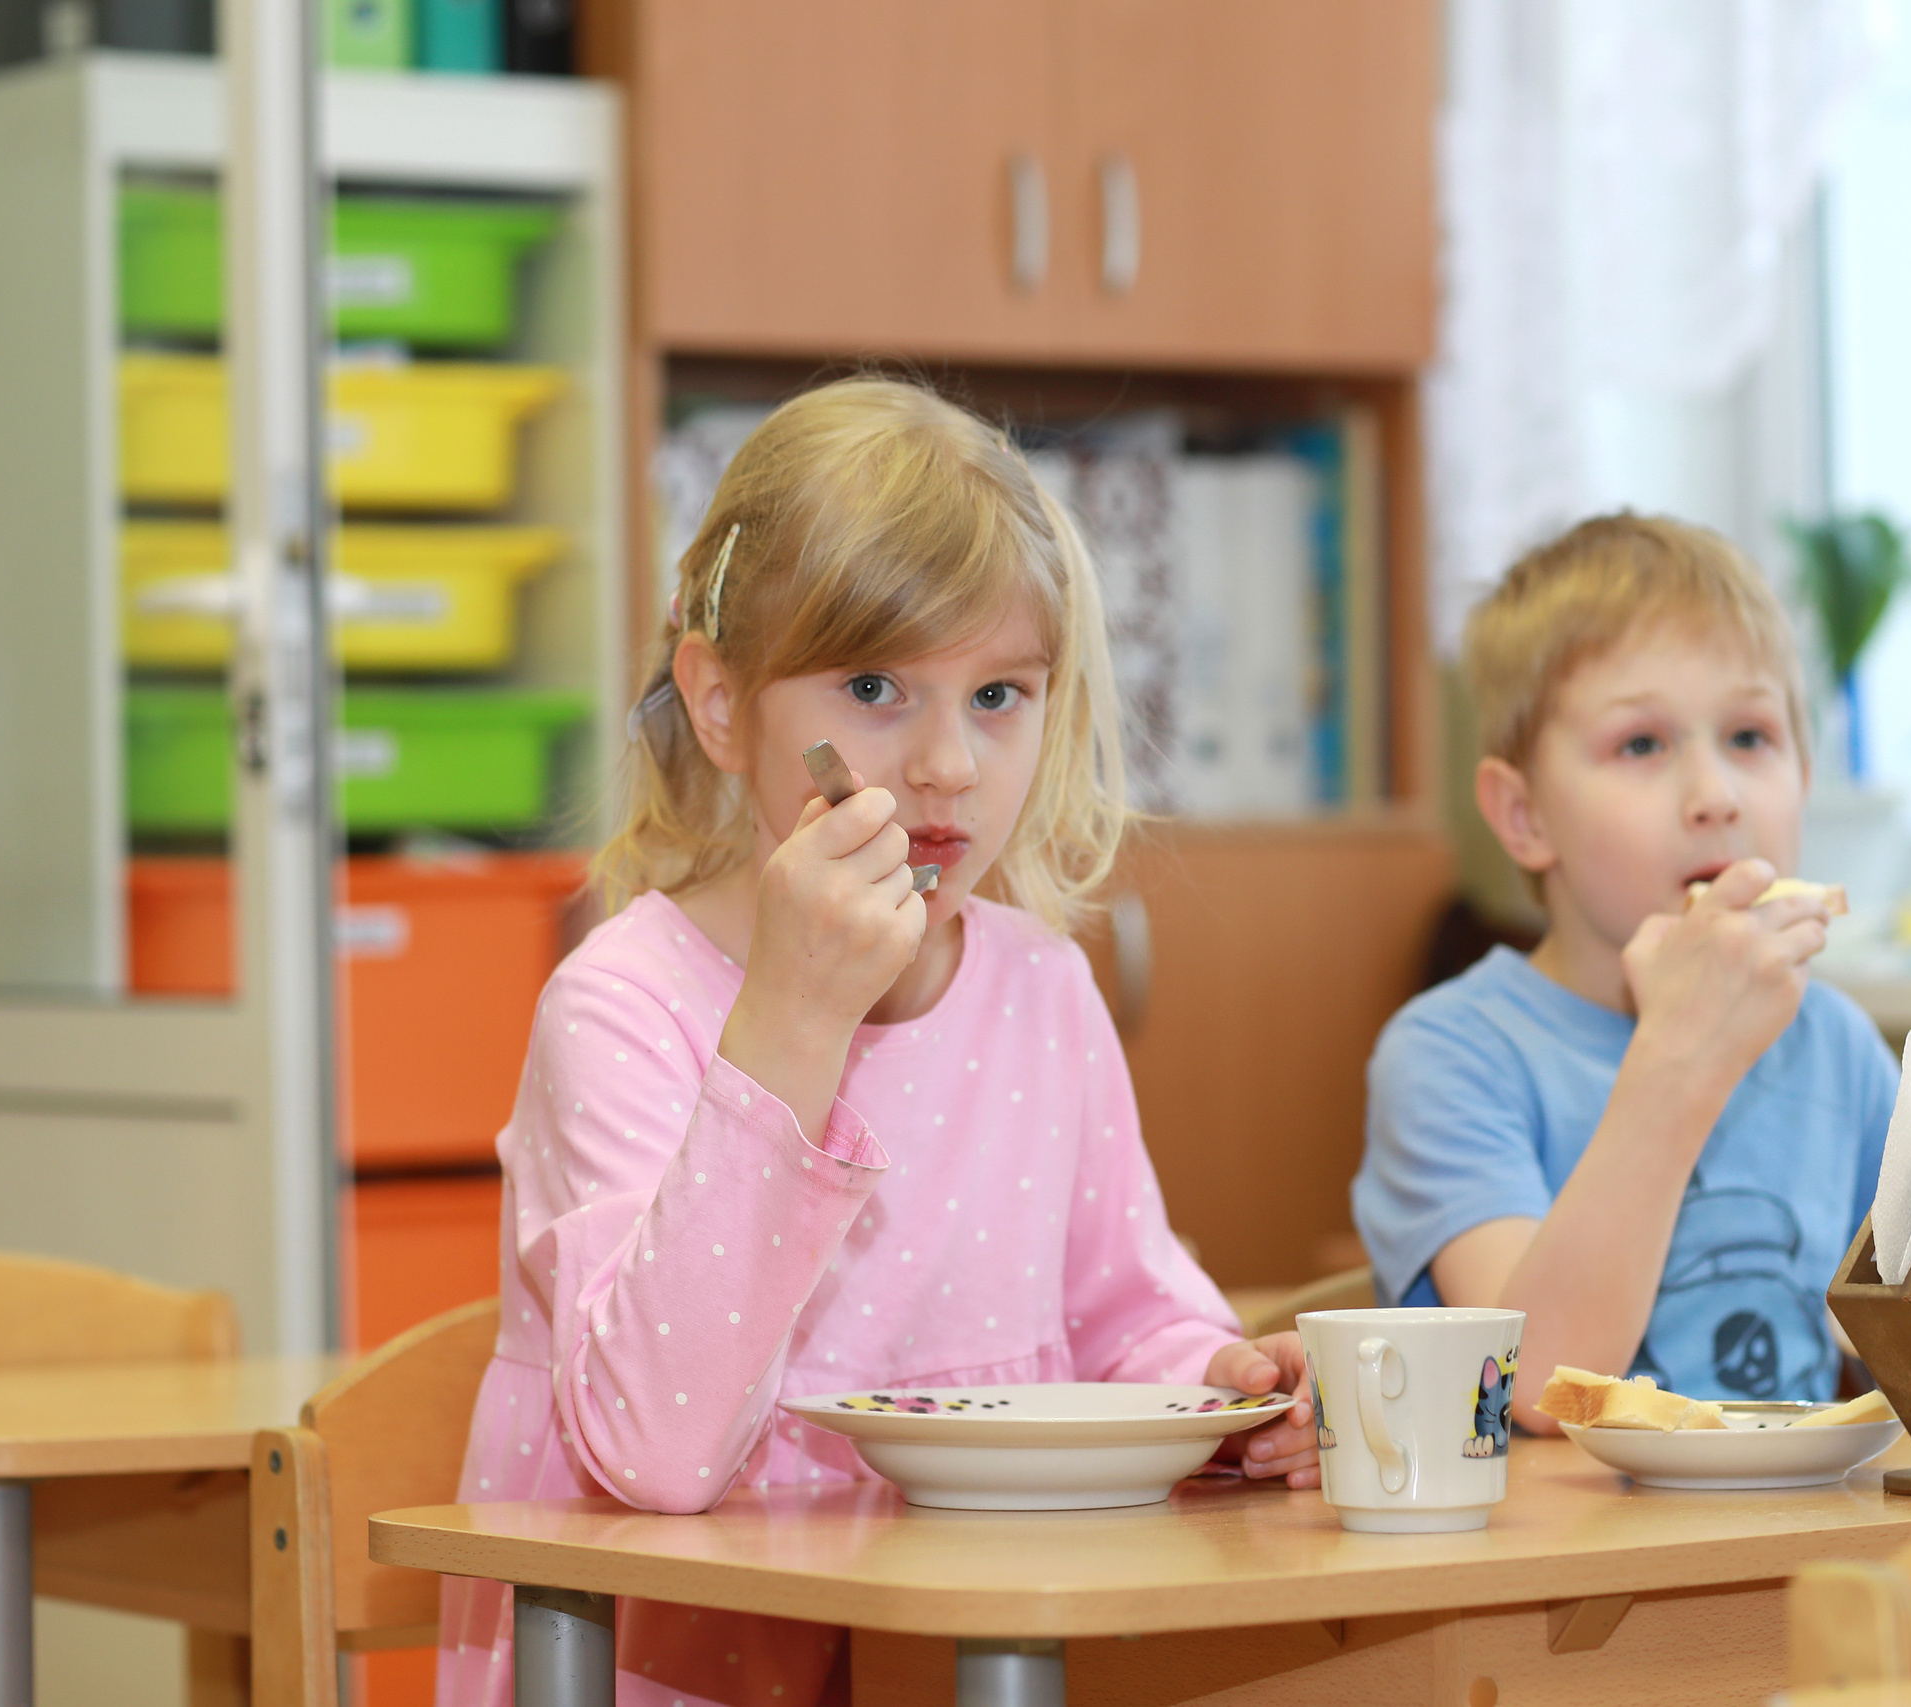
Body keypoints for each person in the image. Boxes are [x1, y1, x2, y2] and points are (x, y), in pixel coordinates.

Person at [438, 378, 1318, 1707]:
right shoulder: (620, 1005)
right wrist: (793, 1017)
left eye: (1000, 694)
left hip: (964, 1659)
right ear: (720, 704)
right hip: (661, 1666)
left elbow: (1123, 1312)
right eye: (874, 687)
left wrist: (1221, 1387)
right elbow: (655, 1449)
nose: (950, 762)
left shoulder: (1040, 990)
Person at [1351, 514, 1911, 1432]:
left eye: (1749, 736)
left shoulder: (1834, 1045)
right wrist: (1681, 1056)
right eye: (1641, 744)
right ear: (1523, 815)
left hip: (1799, 1521)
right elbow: (1532, 1383)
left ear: (1805, 778)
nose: (1716, 795)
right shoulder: (1450, 1054)